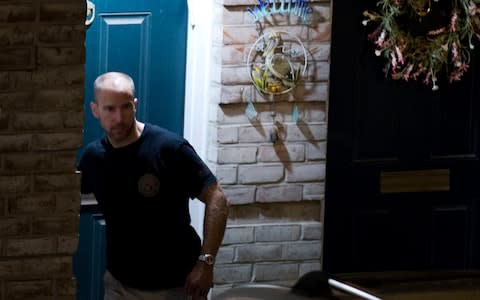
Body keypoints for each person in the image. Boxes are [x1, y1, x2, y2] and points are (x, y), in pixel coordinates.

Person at [78, 71, 229, 300]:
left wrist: (206, 263)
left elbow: (217, 198)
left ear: (135, 105)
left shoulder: (168, 148)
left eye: (125, 107)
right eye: (110, 109)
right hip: (119, 286)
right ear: (95, 109)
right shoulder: (93, 158)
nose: (118, 118)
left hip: (176, 286)